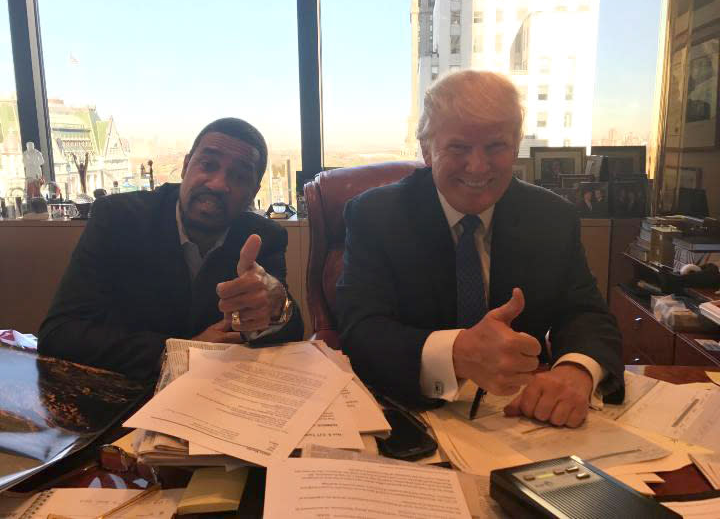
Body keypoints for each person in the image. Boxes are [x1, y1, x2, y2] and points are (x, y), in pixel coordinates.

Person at [337, 71, 623, 428]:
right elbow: (360, 330)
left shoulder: (552, 216)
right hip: (410, 416)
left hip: (521, 418)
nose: (478, 166)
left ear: (515, 145)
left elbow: (586, 313)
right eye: (458, 147)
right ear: (427, 149)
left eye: (495, 146)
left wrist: (576, 370)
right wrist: (456, 353)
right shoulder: (375, 215)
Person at [39, 118, 303, 380]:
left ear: (253, 192)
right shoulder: (118, 218)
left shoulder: (264, 236)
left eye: (239, 176)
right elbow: (60, 333)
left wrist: (278, 305)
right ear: (186, 166)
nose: (218, 184)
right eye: (208, 165)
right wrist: (177, 352)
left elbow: (292, 332)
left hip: (219, 396)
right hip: (130, 393)